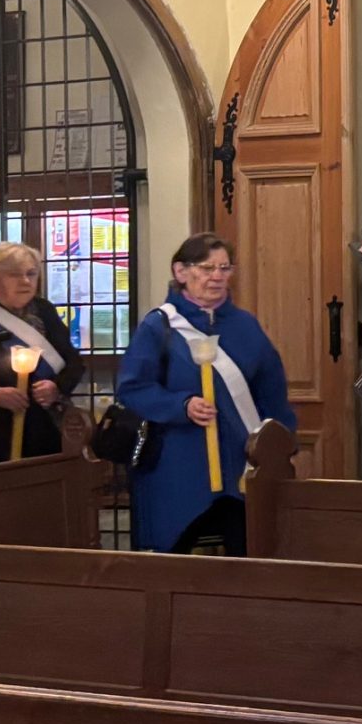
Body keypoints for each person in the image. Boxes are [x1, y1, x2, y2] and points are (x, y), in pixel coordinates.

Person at [114, 234, 296, 553]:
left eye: (225, 268)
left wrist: (282, 443)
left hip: (240, 463)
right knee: (178, 558)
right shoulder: (159, 327)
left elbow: (272, 391)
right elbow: (132, 388)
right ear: (181, 271)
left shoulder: (245, 326)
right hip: (179, 466)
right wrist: (181, 405)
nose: (217, 276)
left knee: (250, 549)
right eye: (207, 268)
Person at [0, 241, 84, 461]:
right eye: (14, 275)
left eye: (31, 273)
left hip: (45, 426)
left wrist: (56, 387)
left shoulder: (44, 310)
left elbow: (74, 362)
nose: (26, 281)